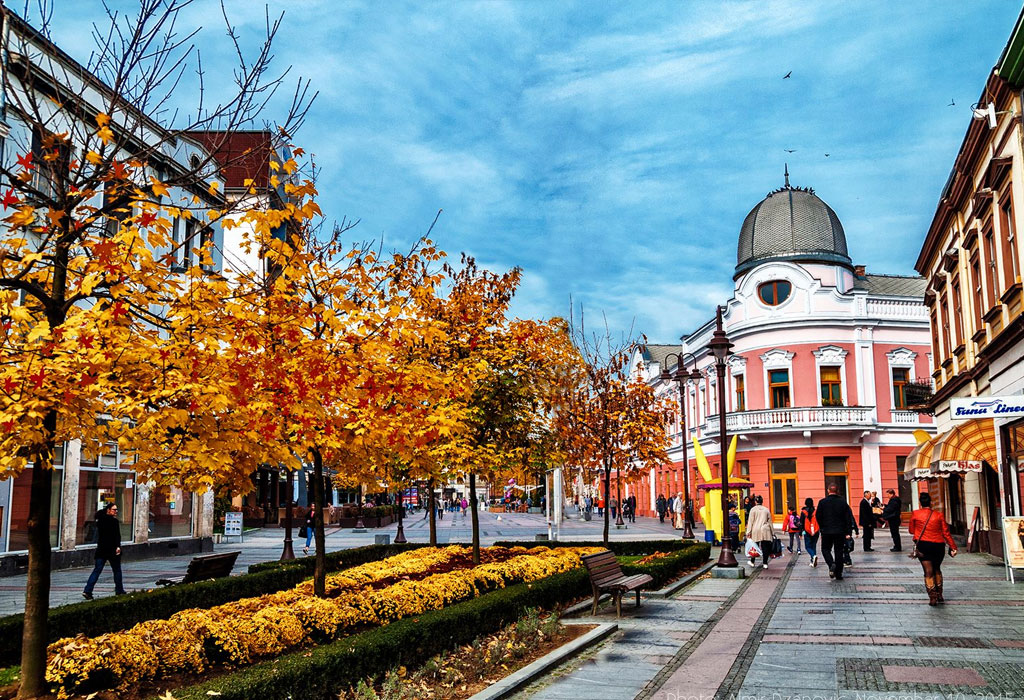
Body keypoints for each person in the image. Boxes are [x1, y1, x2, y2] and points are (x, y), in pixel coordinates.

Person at [909, 491, 957, 605]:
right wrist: (953, 546)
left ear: (920, 504)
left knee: (928, 571)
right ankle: (940, 594)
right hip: (938, 545)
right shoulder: (938, 515)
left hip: (923, 546)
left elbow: (911, 530)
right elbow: (946, 533)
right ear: (931, 503)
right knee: (937, 568)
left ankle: (932, 597)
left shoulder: (915, 514)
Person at [83, 503, 127, 599]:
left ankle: (87, 590)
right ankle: (119, 590)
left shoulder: (100, 521)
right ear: (108, 510)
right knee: (117, 570)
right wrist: (118, 546)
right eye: (114, 510)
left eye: (116, 510)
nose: (116, 511)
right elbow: (116, 536)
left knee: (97, 570)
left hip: (102, 549)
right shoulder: (114, 522)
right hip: (112, 550)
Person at [816, 484, 857, 580]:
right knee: (839, 551)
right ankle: (839, 573)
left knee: (825, 549)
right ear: (837, 491)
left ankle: (831, 564)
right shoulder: (842, 502)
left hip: (826, 531)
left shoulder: (822, 502)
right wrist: (848, 532)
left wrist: (822, 527)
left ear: (828, 491)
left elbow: (818, 516)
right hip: (840, 531)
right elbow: (848, 518)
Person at [746, 496, 774, 568]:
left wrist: (748, 531)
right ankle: (765, 563)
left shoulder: (753, 509)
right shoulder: (766, 509)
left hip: (756, 529)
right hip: (765, 529)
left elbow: (750, 521)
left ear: (755, 501)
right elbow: (770, 521)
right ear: (762, 501)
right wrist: (772, 532)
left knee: (754, 547)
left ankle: (752, 562)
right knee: (765, 547)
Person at [801, 497, 820, 567]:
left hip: (807, 531)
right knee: (813, 545)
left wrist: (801, 533)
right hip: (816, 531)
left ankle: (813, 556)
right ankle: (812, 561)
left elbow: (801, 523)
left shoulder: (803, 512)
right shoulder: (816, 511)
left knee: (808, 546)